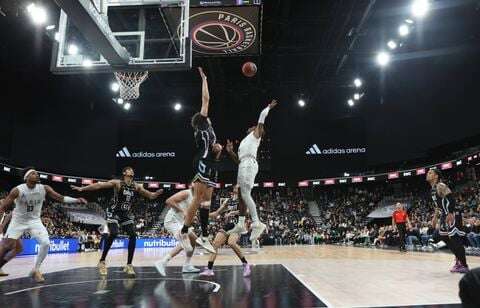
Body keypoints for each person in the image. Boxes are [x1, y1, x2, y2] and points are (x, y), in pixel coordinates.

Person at [71, 166, 163, 277]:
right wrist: (82, 189)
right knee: (114, 233)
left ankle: (129, 265)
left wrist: (156, 194)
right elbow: (99, 185)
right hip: (113, 211)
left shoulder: (136, 186)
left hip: (125, 214)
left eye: (133, 170)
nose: (132, 171)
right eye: (129, 170)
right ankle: (102, 261)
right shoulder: (117, 183)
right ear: (124, 172)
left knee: (133, 235)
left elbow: (150, 195)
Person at [0, 168, 87, 282]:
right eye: (33, 173)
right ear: (26, 178)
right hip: (18, 221)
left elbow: (60, 198)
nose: (36, 174)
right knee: (6, 246)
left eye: (36, 173)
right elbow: (3, 207)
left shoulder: (44, 188)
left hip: (34, 221)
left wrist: (76, 200)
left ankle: (35, 270)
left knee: (46, 243)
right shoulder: (17, 190)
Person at [179, 67, 223, 254]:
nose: (209, 116)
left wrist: (219, 150)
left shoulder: (210, 133)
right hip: (202, 161)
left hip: (211, 163)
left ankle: (204, 236)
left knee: (207, 202)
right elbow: (206, 99)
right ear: (202, 120)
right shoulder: (203, 124)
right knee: (198, 198)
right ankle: (184, 230)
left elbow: (214, 152)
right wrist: (204, 79)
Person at [226, 99, 278, 244]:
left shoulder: (256, 134)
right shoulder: (245, 141)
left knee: (245, 194)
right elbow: (238, 160)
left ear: (257, 130)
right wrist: (230, 152)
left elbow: (262, 117)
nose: (251, 127)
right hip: (243, 164)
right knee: (241, 197)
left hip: (249, 164)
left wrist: (268, 107)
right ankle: (241, 224)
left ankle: (257, 223)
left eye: (254, 126)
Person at [155, 192, 230, 276]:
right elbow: (169, 201)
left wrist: (222, 208)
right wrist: (183, 211)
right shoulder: (187, 193)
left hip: (181, 223)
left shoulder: (198, 202)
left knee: (193, 241)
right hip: (172, 221)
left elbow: (211, 215)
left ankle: (187, 265)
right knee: (187, 243)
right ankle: (162, 262)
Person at [200, 186, 251, 277]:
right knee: (215, 244)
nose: (237, 188)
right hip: (228, 225)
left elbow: (246, 211)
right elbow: (217, 213)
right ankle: (210, 269)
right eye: (236, 186)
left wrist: (233, 213)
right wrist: (204, 215)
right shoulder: (228, 201)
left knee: (231, 243)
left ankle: (246, 264)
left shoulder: (243, 199)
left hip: (237, 225)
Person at [426, 168, 469, 273]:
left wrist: (450, 212)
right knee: (442, 236)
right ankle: (458, 258)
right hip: (444, 214)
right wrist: (435, 217)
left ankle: (464, 265)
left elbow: (450, 197)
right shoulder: (432, 189)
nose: (428, 174)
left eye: (430, 173)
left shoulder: (440, 185)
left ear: (436, 176)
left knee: (455, 238)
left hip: (452, 213)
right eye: (428, 172)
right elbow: (438, 206)